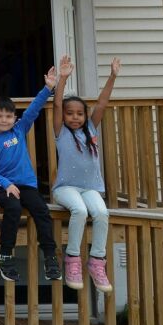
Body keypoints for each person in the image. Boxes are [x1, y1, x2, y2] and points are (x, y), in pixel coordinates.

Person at [0, 65, 62, 283]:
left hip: (26, 184)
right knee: (14, 208)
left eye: (8, 116)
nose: (4, 120)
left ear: (14, 117)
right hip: (2, 186)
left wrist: (47, 89)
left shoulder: (19, 129)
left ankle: (50, 256)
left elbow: (34, 109)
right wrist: (6, 184)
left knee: (41, 211)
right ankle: (5, 255)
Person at [52, 55, 119, 293]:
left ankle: (96, 261)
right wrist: (62, 78)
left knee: (101, 212)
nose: (75, 117)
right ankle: (72, 260)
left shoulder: (90, 128)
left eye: (79, 114)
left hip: (90, 187)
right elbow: (58, 104)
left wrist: (112, 76)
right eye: (71, 113)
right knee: (79, 210)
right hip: (65, 188)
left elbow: (102, 103)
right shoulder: (60, 132)